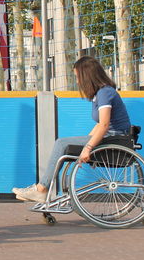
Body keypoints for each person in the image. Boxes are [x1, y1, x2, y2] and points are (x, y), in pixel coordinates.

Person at [12, 55, 132, 202]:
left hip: (114, 138)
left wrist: (88, 147)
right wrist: (84, 144)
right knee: (66, 145)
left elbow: (104, 125)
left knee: (61, 143)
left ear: (87, 76)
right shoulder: (101, 94)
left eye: (77, 77)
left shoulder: (105, 93)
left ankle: (41, 189)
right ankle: (41, 189)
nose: (77, 81)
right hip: (111, 135)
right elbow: (99, 125)